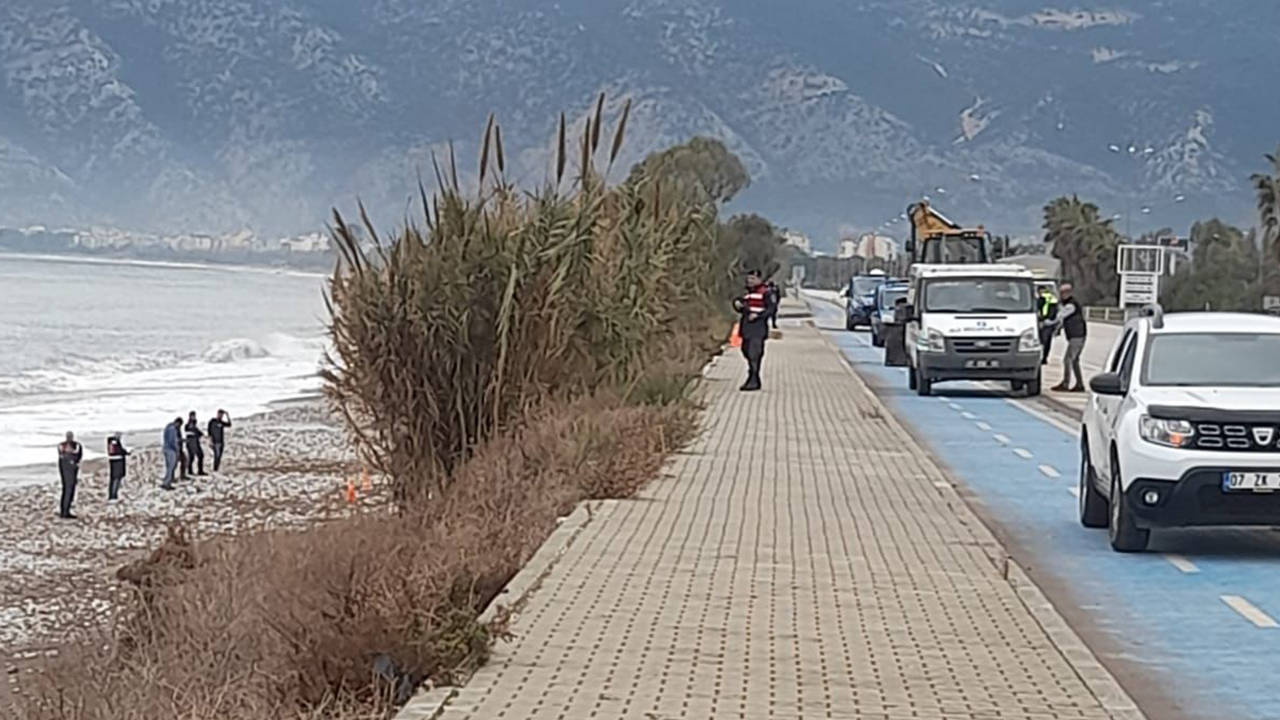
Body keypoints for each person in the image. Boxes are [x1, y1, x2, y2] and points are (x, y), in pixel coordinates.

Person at [732, 270, 777, 392]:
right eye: (749, 278)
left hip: (758, 328)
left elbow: (771, 309)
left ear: (760, 280)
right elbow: (742, 305)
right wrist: (738, 305)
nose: (750, 281)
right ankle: (754, 377)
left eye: (753, 279)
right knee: (745, 350)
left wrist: (759, 315)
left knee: (754, 353)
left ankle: (753, 379)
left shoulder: (766, 293)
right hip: (746, 327)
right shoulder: (746, 293)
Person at [1052, 282, 1087, 392]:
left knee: (1068, 360)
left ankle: (1066, 383)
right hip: (1076, 335)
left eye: (1062, 293)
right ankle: (1079, 384)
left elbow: (1060, 316)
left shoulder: (1071, 305)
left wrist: (1049, 322)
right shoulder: (1070, 304)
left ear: (1068, 293)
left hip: (1077, 335)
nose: (1061, 295)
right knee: (1074, 360)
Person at [57, 431, 83, 519]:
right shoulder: (73, 445)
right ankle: (65, 511)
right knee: (68, 488)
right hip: (68, 467)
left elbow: (79, 456)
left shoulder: (63, 445)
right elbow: (77, 456)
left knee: (68, 489)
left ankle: (65, 510)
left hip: (67, 467)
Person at [1036, 285, 1060, 365]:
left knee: (1043, 341)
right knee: (1046, 342)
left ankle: (1042, 358)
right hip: (1048, 322)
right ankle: (1044, 358)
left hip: (1045, 322)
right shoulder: (1051, 298)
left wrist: (1045, 320)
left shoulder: (1043, 299)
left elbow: (1053, 310)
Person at [106, 432, 130, 501]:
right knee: (116, 478)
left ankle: (113, 495)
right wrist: (125, 452)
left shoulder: (111, 442)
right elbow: (118, 451)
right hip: (117, 460)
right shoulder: (114, 443)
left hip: (114, 460)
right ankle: (113, 496)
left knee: (113, 478)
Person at [162, 417, 182, 490]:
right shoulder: (173, 429)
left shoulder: (168, 427)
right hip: (171, 450)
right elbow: (173, 441)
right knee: (171, 467)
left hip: (166, 448)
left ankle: (166, 481)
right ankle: (167, 483)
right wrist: (177, 450)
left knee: (168, 467)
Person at [185, 411, 207, 476]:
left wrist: (200, 434)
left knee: (200, 456)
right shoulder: (188, 424)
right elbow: (190, 432)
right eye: (193, 416)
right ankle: (191, 471)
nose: (194, 417)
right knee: (193, 456)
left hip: (195, 442)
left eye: (194, 416)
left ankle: (199, 470)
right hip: (191, 443)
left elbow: (197, 431)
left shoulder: (193, 423)